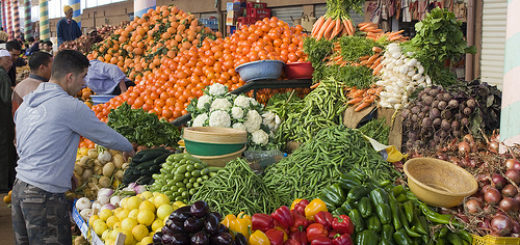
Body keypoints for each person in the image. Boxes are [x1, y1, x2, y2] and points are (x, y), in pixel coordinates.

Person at [11, 50, 133, 244]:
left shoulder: (29, 102)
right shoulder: (70, 106)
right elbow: (104, 135)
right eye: (83, 77)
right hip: (44, 197)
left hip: (20, 189)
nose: (84, 83)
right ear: (70, 77)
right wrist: (128, 146)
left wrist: (62, 170)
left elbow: (26, 142)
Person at [0, 49, 15, 192]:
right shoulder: (2, 75)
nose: (11, 63)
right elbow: (6, 98)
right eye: (8, 60)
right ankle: (4, 185)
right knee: (4, 150)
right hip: (3, 121)